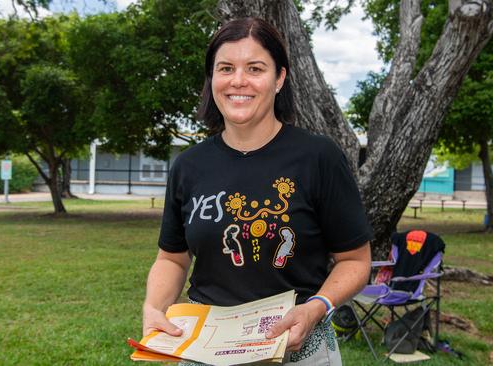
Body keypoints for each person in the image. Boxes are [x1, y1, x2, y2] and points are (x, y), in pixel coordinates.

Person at [142, 17, 373, 365]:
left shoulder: (318, 157)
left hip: (301, 350)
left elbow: (355, 260)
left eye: (255, 68)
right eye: (225, 68)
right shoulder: (188, 166)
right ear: (212, 79)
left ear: (279, 78)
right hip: (207, 351)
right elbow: (172, 259)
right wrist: (154, 307)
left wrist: (316, 308)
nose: (238, 81)